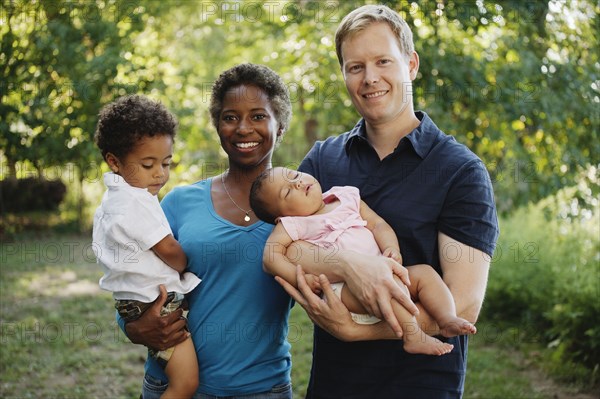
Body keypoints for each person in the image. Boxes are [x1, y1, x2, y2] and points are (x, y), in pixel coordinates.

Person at [274, 4, 500, 398]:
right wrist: (346, 263)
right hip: (334, 385)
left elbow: (463, 306)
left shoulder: (460, 171)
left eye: (383, 61)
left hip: (421, 385)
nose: (370, 78)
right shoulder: (322, 163)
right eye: (355, 66)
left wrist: (356, 330)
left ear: (410, 64)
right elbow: (284, 249)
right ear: (344, 75)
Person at [116, 64, 294, 398]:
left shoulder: (299, 212)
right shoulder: (180, 202)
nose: (243, 128)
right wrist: (134, 327)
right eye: (230, 117)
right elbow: (130, 277)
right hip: (170, 386)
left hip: (262, 388)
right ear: (217, 126)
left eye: (258, 116)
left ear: (280, 125)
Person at [251, 166, 477, 355]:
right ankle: (413, 336)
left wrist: (391, 248)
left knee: (425, 273)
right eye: (287, 193)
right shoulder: (293, 224)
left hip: (383, 267)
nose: (298, 184)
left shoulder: (346, 196)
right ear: (282, 215)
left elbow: (378, 224)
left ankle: (446, 318)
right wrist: (302, 279)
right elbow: (271, 257)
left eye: (294, 175)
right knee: (391, 286)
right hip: (345, 291)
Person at [93, 94, 201, 399]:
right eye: (148, 164)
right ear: (114, 161)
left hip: (134, 303)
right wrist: (187, 262)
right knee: (185, 383)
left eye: (166, 163)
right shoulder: (135, 201)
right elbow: (169, 250)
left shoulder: (114, 200)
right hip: (156, 304)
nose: (160, 174)